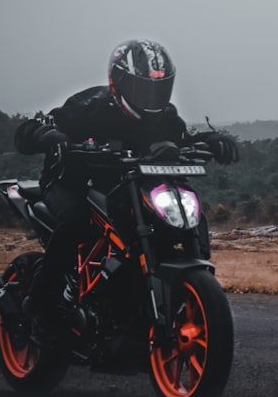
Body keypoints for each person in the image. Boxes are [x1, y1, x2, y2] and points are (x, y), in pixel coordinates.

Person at [13, 39, 238, 343]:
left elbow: (185, 139)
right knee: (76, 222)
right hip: (71, 183)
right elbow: (28, 131)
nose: (152, 96)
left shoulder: (166, 117)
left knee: (187, 215)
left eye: (159, 88)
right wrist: (43, 133)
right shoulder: (87, 107)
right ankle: (40, 307)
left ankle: (168, 295)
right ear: (119, 83)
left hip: (125, 187)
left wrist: (215, 141)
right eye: (144, 88)